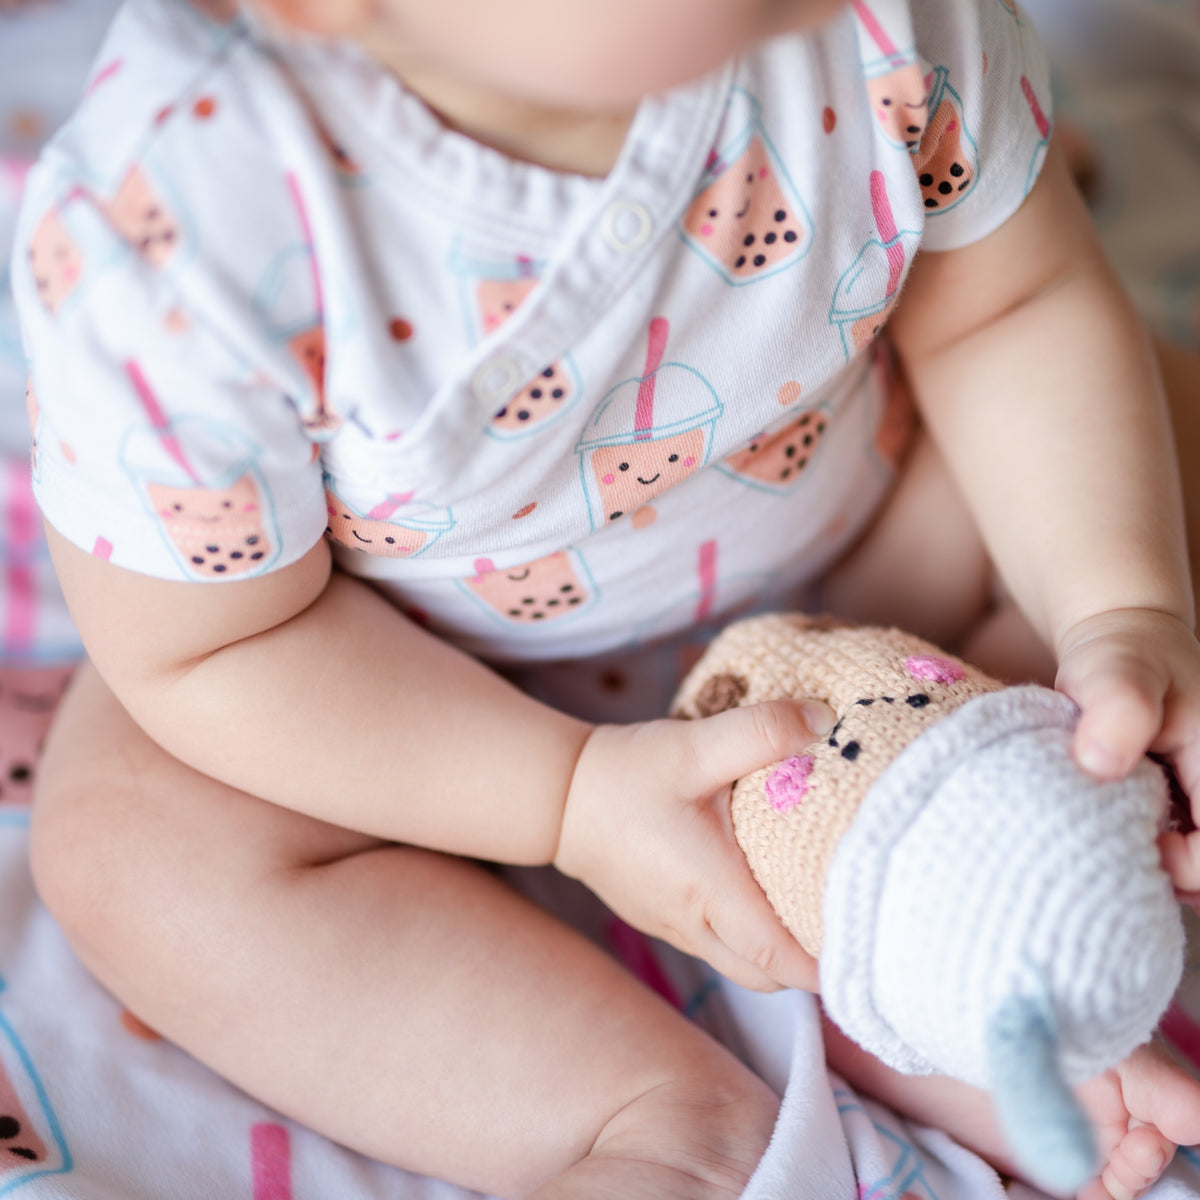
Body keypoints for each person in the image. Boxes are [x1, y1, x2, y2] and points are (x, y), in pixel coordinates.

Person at [12, 0, 1200, 1196]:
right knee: (129, 835)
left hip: (877, 571)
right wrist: (563, 798)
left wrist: (1117, 613)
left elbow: (1009, 308)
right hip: (427, 696)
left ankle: (930, 929)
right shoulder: (172, 223)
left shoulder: (888, 24)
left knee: (1150, 429)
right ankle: (639, 1110)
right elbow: (214, 651)